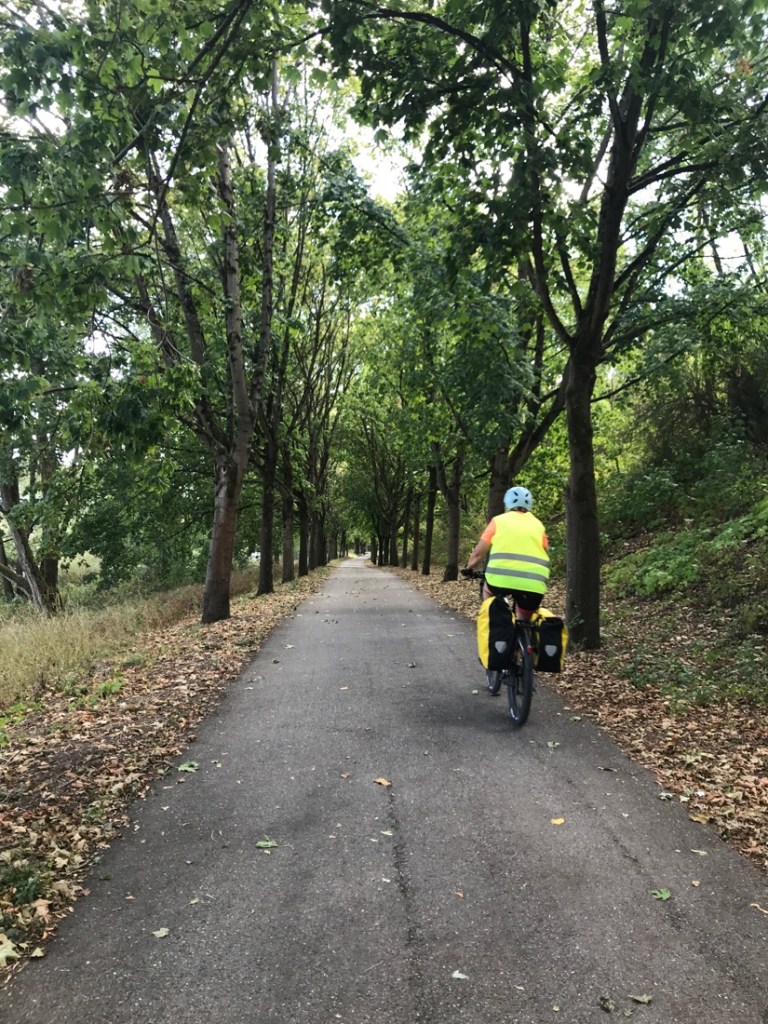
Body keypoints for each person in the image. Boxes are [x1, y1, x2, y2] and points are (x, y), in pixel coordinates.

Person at [464, 485, 549, 619]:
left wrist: (469, 568)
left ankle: (494, 619)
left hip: (500, 580)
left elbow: (478, 554)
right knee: (526, 618)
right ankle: (525, 629)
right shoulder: (539, 525)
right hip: (534, 583)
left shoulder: (498, 521)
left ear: (507, 503)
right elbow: (545, 552)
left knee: (487, 591)